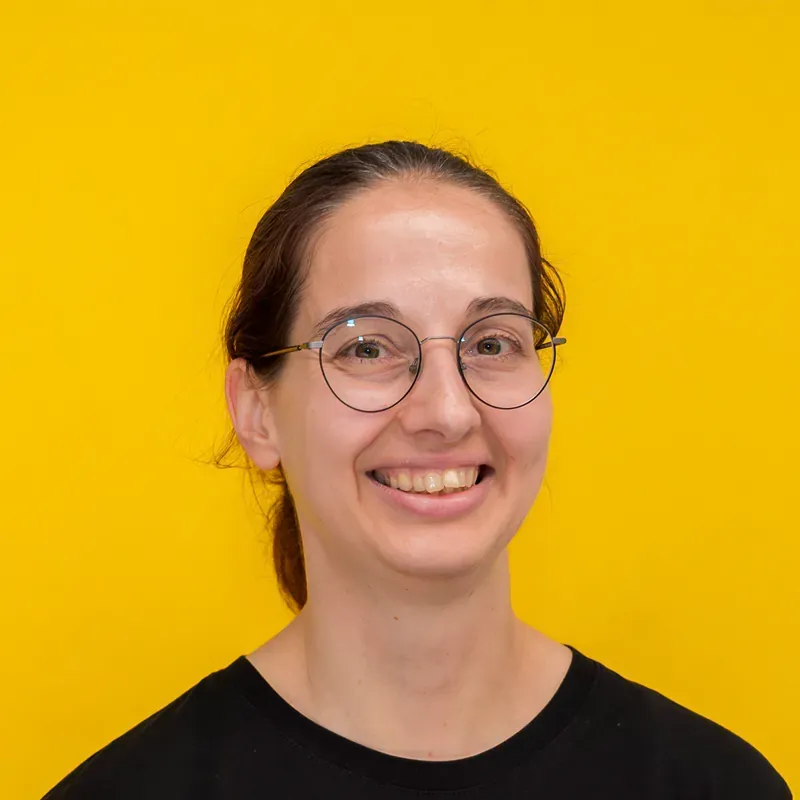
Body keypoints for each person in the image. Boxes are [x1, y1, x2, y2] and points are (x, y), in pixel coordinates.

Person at [42, 141, 792, 799]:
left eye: (493, 343)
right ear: (256, 411)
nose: (447, 412)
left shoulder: (712, 786)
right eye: (367, 347)